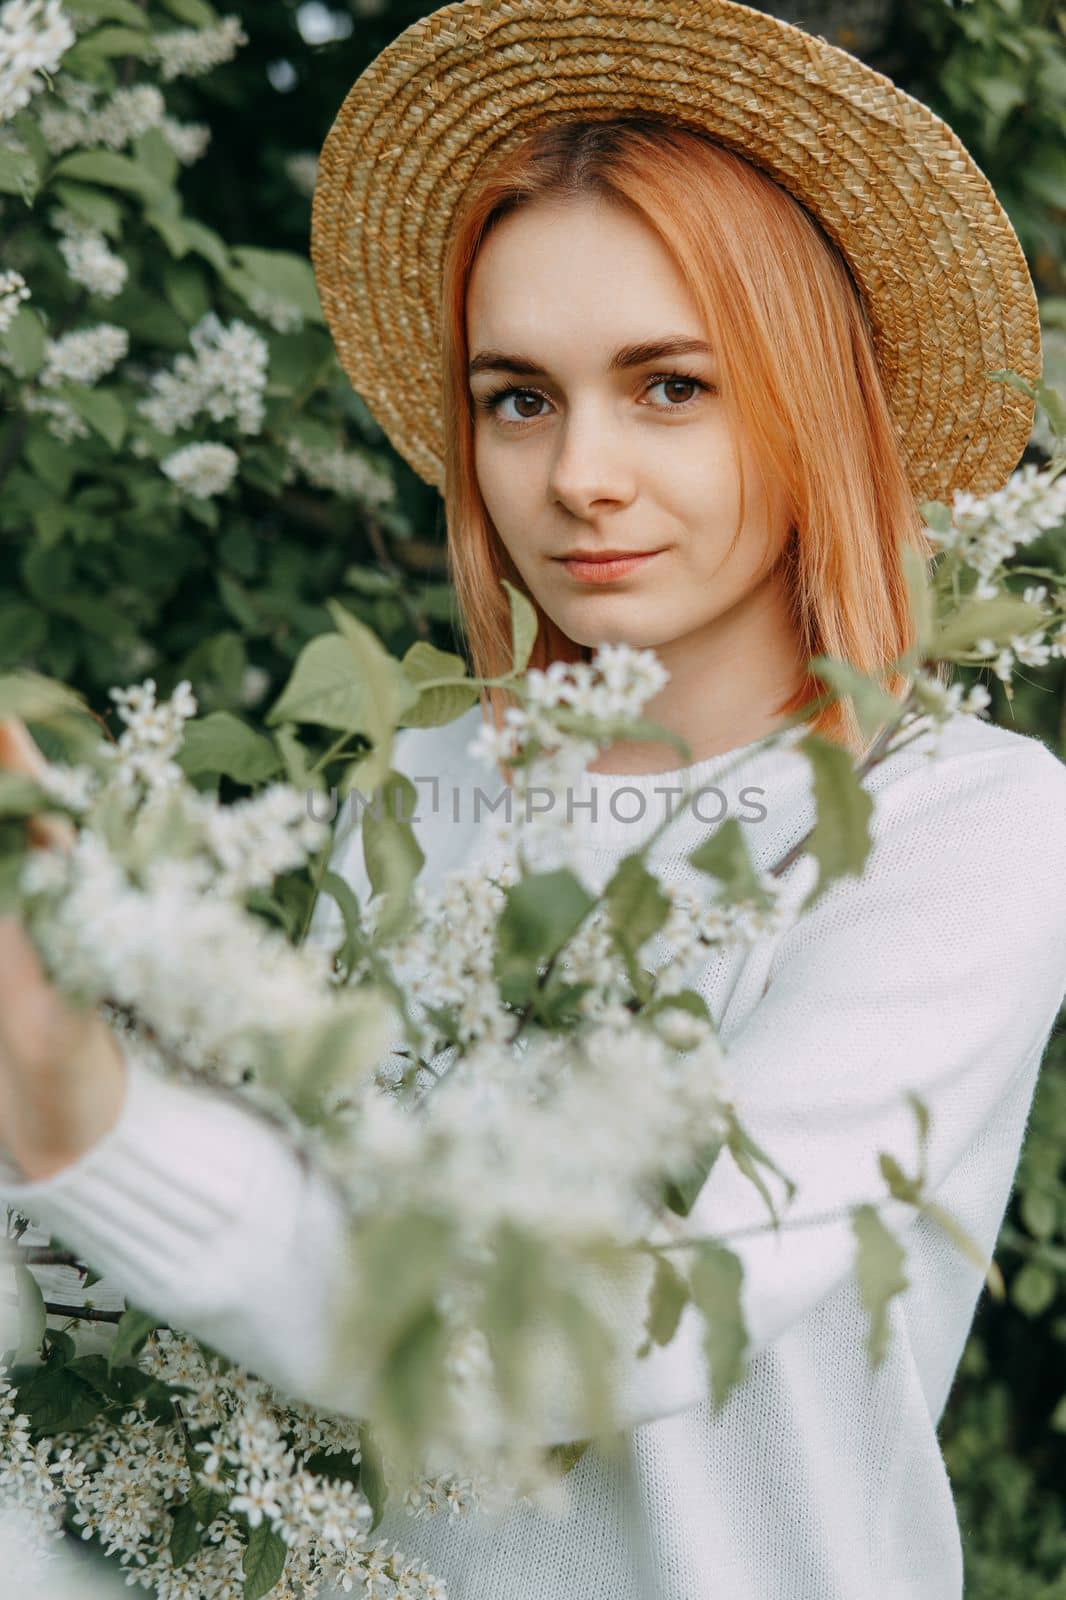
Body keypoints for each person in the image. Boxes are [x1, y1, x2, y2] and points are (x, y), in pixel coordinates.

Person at [2, 2, 1065, 1596]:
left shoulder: (964, 827)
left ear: (810, 399)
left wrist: (81, 1107)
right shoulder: (411, 792)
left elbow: (584, 1335)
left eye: (670, 387)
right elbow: (263, 1292)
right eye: (519, 397)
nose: (578, 475)